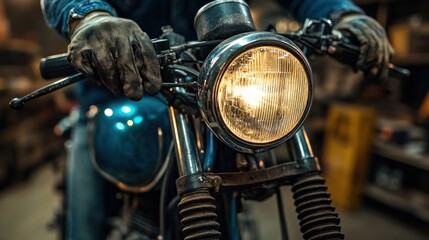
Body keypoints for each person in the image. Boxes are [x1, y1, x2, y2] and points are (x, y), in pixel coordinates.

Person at [40, 0, 394, 239]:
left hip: (217, 91)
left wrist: (344, 14)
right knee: (84, 217)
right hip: (115, 91)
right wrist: (89, 16)